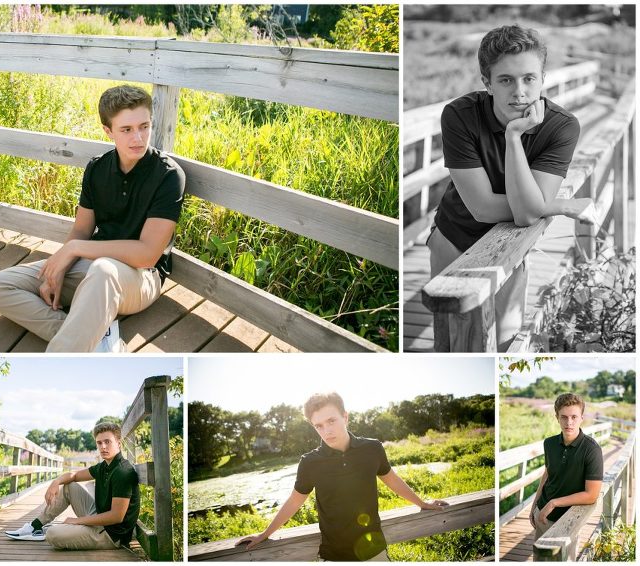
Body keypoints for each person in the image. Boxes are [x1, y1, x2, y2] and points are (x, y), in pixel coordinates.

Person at [429, 25, 596, 351]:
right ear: (487, 83)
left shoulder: (561, 126)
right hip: (453, 234)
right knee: (449, 345)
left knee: (503, 343)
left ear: (542, 78)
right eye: (505, 80)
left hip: (512, 246)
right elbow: (483, 208)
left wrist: (513, 137)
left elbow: (524, 215)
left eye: (529, 79)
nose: (519, 92)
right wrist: (557, 205)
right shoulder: (459, 116)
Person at [0, 85, 185, 352]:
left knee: (104, 270)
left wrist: (74, 250)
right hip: (91, 266)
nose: (138, 137)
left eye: (144, 126)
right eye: (126, 130)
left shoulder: (168, 176)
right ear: (108, 131)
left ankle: (65, 352)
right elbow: (81, 230)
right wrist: (61, 267)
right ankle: (96, 340)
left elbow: (147, 255)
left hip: (140, 278)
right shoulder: (97, 168)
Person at [238, 392, 449, 561]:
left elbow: (391, 479)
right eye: (318, 426)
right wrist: (264, 534)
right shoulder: (310, 462)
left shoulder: (372, 448)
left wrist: (422, 503)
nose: (326, 431)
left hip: (374, 552)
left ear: (345, 417)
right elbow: (295, 501)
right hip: (334, 556)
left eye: (331, 421)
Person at [5, 422, 140, 550]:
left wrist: (77, 521)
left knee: (52, 534)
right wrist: (55, 482)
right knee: (69, 486)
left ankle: (59, 529)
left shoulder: (123, 472)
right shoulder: (104, 467)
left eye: (107, 442)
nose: (103, 447)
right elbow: (74, 475)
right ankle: (35, 526)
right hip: (100, 517)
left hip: (112, 534)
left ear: (119, 444)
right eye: (99, 443)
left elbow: (116, 516)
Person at [529, 393, 603, 540]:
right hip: (542, 513)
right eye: (564, 417)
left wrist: (554, 503)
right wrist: (534, 506)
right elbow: (547, 474)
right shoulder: (549, 443)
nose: (569, 422)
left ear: (582, 418)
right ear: (557, 418)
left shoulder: (592, 449)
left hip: (569, 519)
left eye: (574, 417)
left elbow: (591, 495)